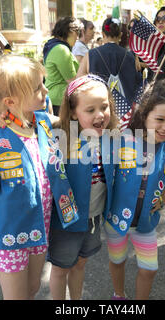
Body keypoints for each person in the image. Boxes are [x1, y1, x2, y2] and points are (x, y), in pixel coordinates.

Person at [0, 54, 79, 300]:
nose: (46, 90)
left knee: (32, 289)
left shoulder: (43, 122)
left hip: (40, 225)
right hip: (10, 231)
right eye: (38, 88)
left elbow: (76, 123)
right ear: (10, 100)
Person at [104, 79, 165, 300]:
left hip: (146, 222)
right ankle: (119, 295)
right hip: (116, 219)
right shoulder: (122, 140)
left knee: (149, 269)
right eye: (160, 119)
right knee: (117, 261)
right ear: (144, 114)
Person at [47, 75, 118, 299]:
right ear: (73, 112)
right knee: (60, 269)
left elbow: (147, 130)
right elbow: (28, 119)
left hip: (93, 219)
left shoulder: (111, 136)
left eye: (104, 106)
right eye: (90, 110)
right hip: (65, 223)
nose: (100, 114)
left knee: (80, 264)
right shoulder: (60, 136)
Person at [76, 17, 143, 110]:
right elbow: (138, 85)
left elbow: (79, 82)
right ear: (120, 35)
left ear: (103, 34)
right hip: (125, 113)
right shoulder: (130, 56)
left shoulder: (90, 55)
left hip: (99, 109)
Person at [43, 17, 83, 116]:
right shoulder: (61, 49)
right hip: (60, 101)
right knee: (70, 130)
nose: (78, 37)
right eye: (77, 33)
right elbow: (73, 81)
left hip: (56, 99)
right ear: (70, 31)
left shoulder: (52, 45)